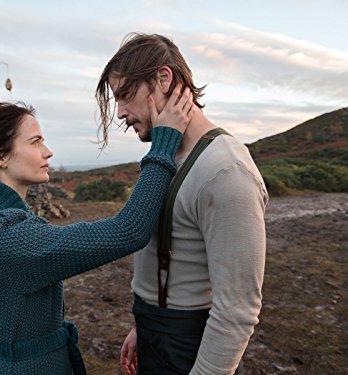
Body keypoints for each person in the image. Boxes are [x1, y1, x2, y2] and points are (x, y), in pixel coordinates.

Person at [0, 88, 193, 375]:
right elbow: (128, 230)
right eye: (35, 142)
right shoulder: (1, 235)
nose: (48, 151)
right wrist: (163, 142)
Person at [96, 33, 268, 375]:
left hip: (187, 345)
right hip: (154, 331)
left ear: (163, 78)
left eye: (125, 96)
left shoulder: (225, 169)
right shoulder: (166, 156)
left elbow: (236, 311)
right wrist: (142, 328)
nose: (121, 113)